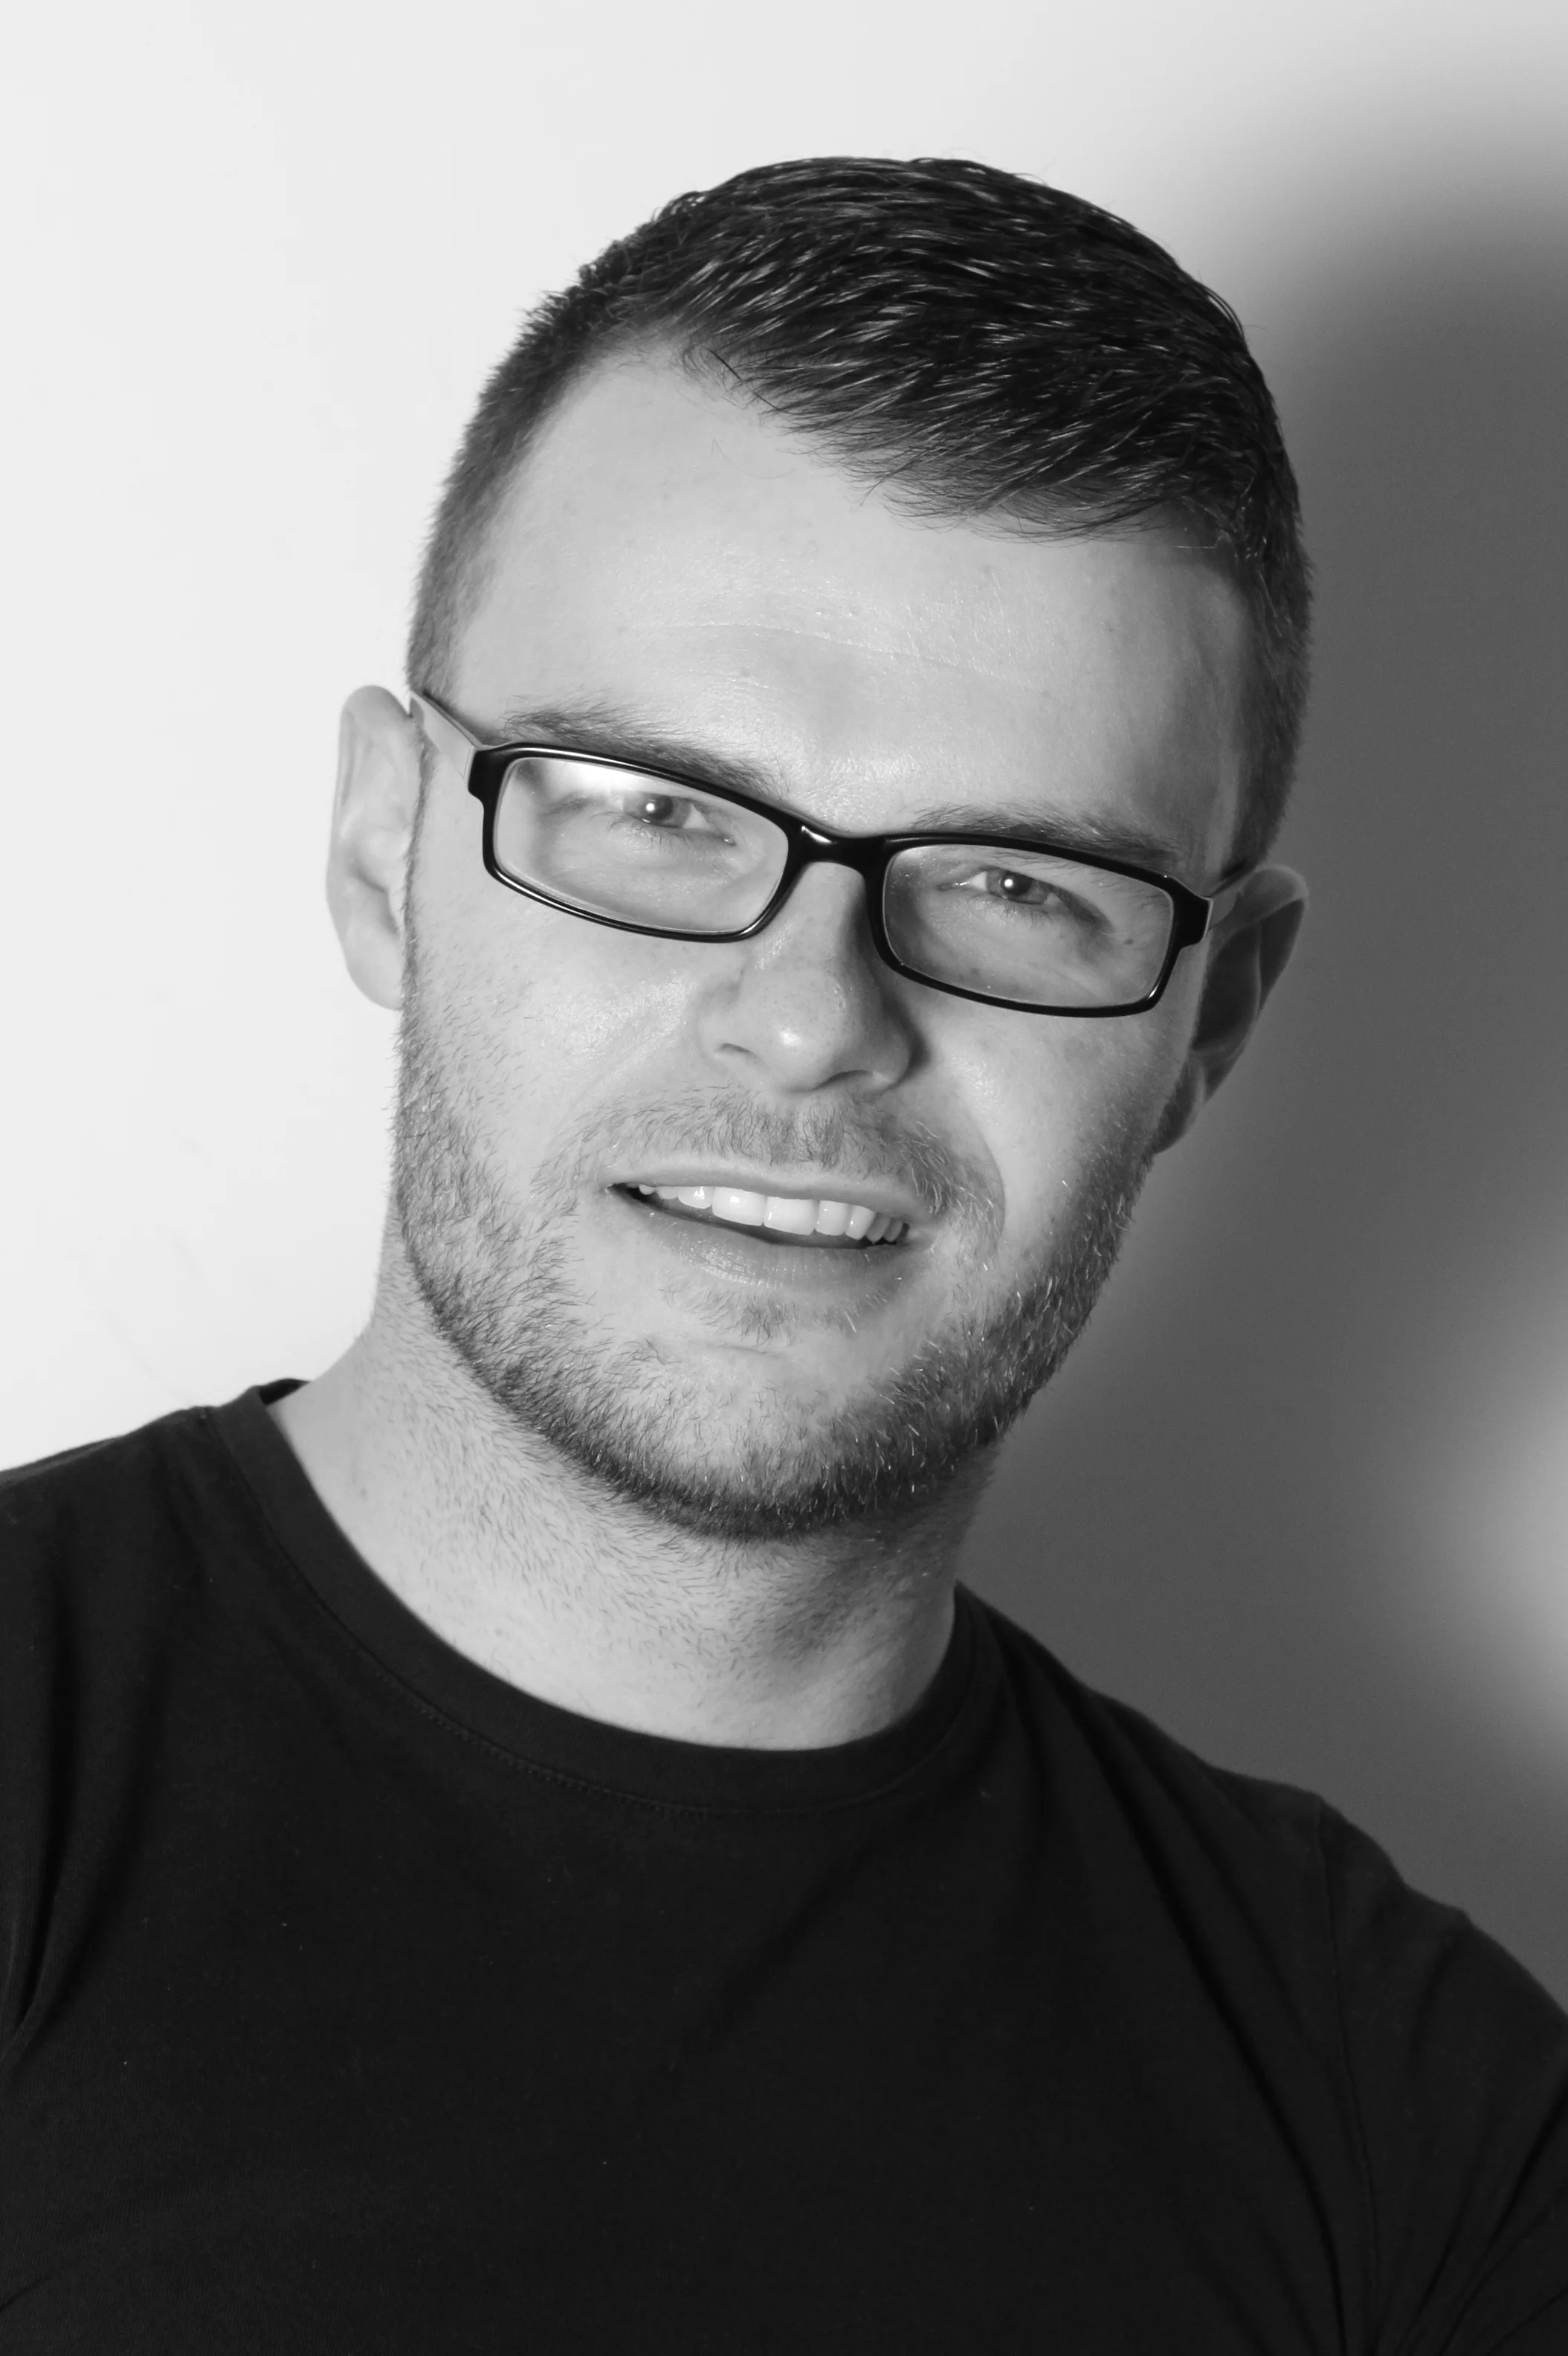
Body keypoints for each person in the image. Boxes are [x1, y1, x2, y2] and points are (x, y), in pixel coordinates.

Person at [1, 155, 1564, 2353]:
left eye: (1015, 887)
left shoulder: (1427, 2127)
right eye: (657, 812)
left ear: (1208, 1021)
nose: (813, 1017)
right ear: (384, 849)